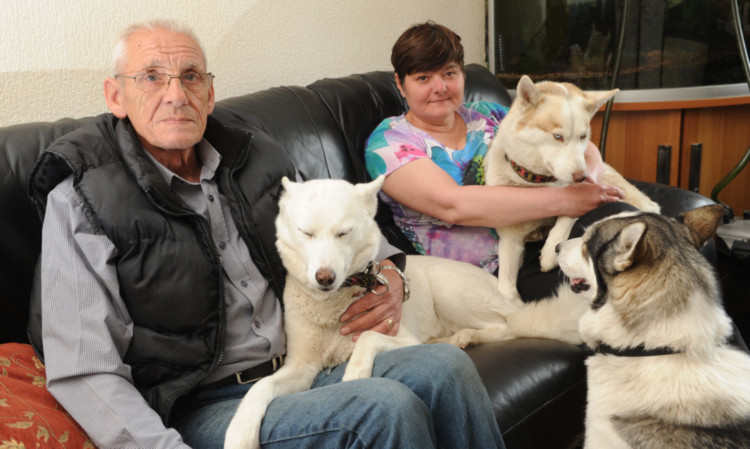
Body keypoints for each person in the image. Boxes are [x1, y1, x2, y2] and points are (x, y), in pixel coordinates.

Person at [27, 20, 505, 449]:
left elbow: (339, 221)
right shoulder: (81, 199)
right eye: (151, 78)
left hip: (303, 362)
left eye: (191, 76)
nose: (175, 95)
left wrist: (390, 270)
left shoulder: (255, 155)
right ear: (115, 96)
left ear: (210, 94)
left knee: (446, 366)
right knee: (383, 407)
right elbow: (85, 371)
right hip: (201, 405)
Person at [365, 21, 629, 301]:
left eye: (449, 73)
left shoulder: (489, 114)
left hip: (552, 240)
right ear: (400, 84)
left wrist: (592, 182)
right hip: (489, 274)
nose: (440, 87)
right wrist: (568, 200)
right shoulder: (389, 143)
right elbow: (453, 205)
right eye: (423, 78)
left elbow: (576, 141)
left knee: (627, 226)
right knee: (613, 286)